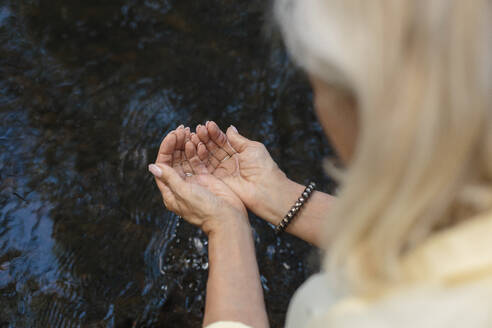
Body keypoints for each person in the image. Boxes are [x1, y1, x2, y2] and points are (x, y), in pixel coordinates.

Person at [148, 0, 492, 327]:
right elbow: (441, 241)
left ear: (366, 112)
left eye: (319, 90)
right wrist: (277, 195)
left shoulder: (365, 317)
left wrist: (225, 225)